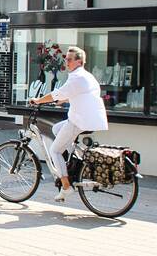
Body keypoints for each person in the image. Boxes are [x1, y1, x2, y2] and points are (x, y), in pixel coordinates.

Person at [29, 45, 108, 202]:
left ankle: (66, 186)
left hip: (79, 120)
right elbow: (78, 94)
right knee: (56, 128)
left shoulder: (77, 77)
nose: (66, 62)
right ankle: (72, 156)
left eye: (69, 60)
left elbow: (57, 93)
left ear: (79, 62)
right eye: (65, 59)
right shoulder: (86, 76)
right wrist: (64, 100)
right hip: (88, 118)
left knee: (55, 151)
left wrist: (38, 100)